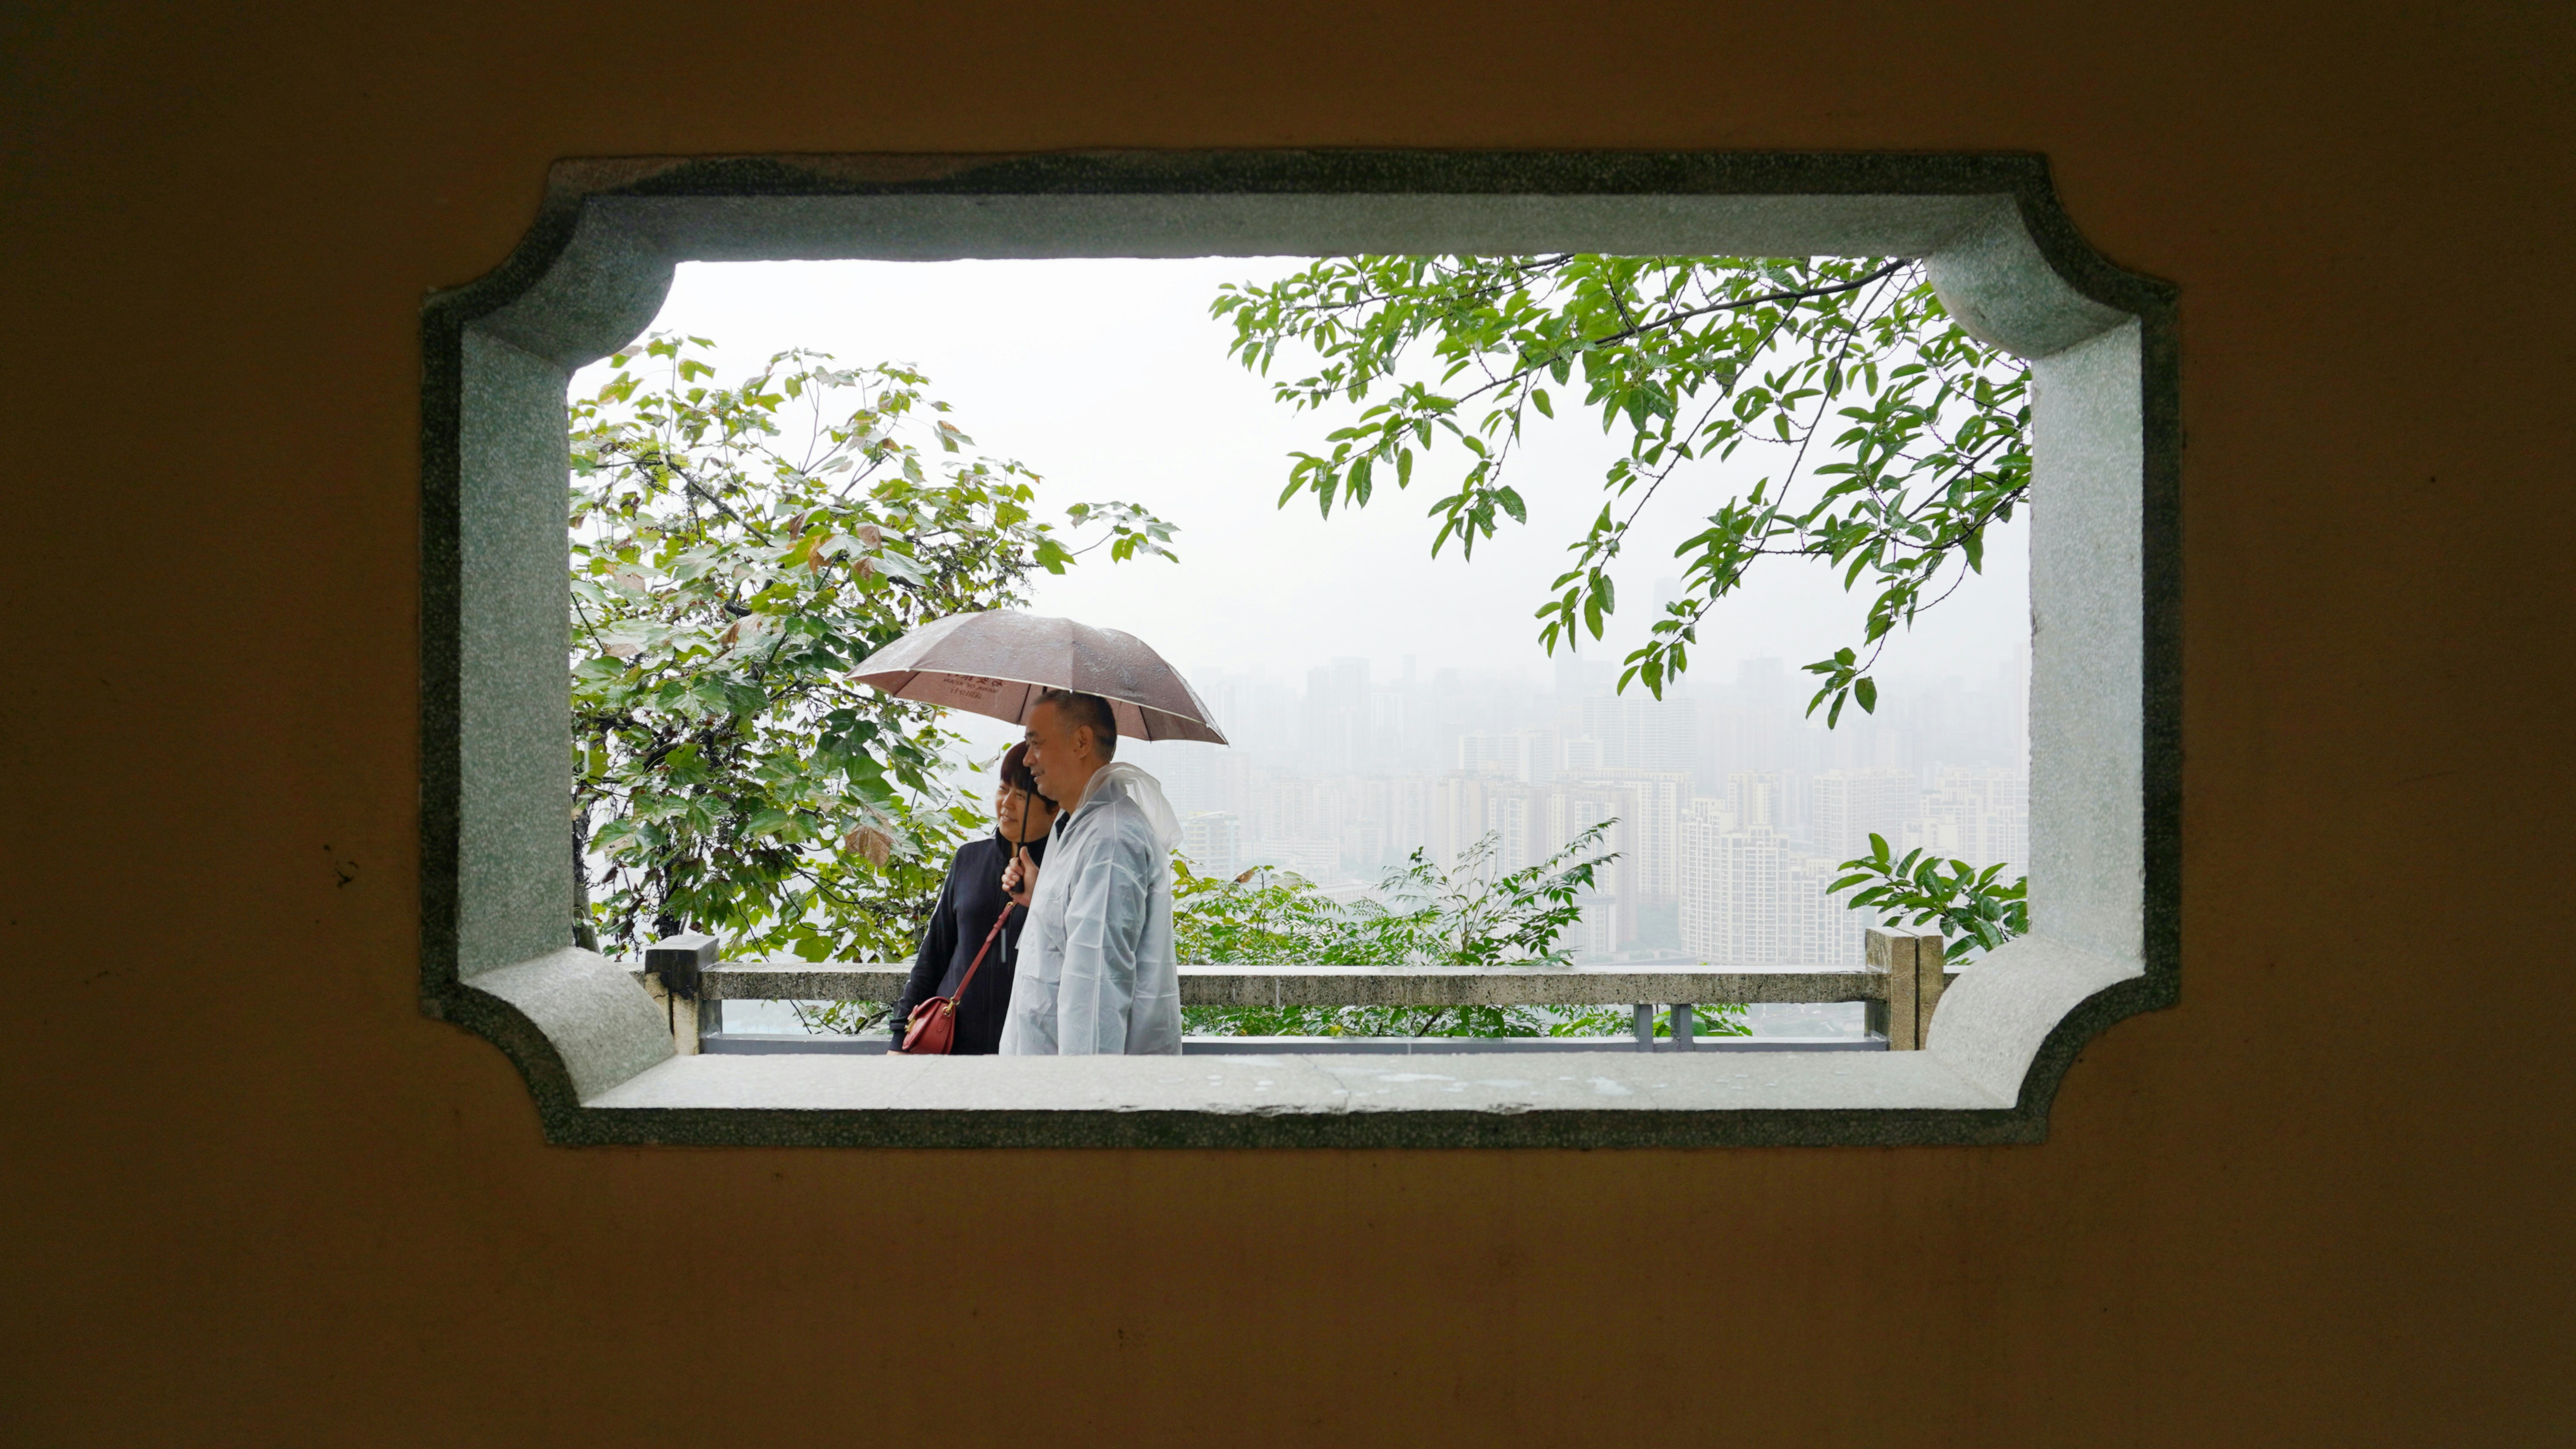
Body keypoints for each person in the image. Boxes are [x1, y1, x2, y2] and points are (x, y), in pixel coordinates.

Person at [997, 688, 1183, 1055]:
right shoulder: (1076, 825)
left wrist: (1086, 1088)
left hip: (1079, 1081)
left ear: (1081, 742)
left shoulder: (1110, 841)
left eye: (1036, 744)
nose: (1028, 759)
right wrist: (1041, 896)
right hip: (1046, 1073)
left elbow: (1097, 992)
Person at [887, 743, 1059, 1055]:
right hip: (950, 1041)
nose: (1006, 804)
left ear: (1054, 808)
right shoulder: (969, 858)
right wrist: (900, 1038)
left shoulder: (1063, 872)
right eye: (1003, 789)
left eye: (1021, 796)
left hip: (1027, 1049)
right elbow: (934, 955)